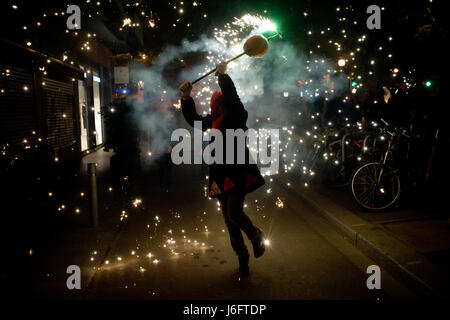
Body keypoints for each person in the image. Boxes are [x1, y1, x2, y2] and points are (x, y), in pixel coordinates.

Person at [178, 62, 266, 276]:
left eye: (218, 103)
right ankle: (242, 256)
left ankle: (255, 235)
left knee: (234, 212)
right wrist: (186, 98)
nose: (215, 106)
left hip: (237, 168)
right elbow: (194, 120)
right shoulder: (214, 120)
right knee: (229, 220)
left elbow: (234, 98)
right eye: (214, 104)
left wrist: (223, 77)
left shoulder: (237, 115)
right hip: (219, 170)